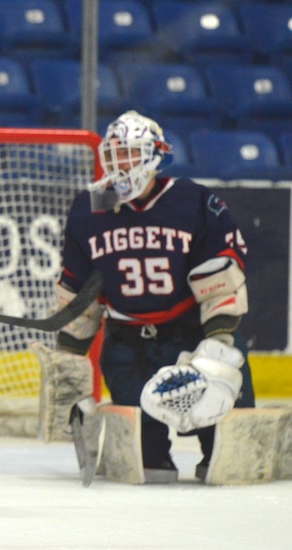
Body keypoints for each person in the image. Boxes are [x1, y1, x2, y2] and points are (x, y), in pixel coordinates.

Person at [52, 110, 255, 483]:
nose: (119, 165)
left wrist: (218, 346)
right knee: (146, 470)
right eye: (112, 155)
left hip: (193, 337)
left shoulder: (192, 201)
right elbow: (79, 296)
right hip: (130, 350)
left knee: (229, 463)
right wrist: (71, 373)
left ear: (154, 155)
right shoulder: (89, 208)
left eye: (129, 153)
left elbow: (221, 282)